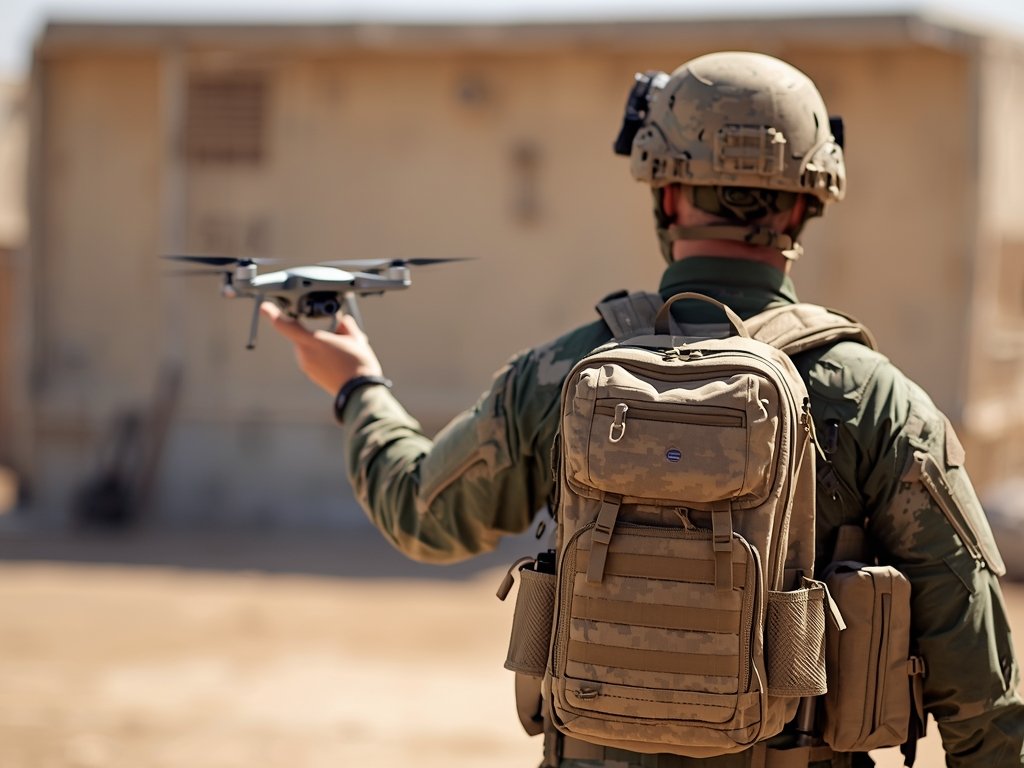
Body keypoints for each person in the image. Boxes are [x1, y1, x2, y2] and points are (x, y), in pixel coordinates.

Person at [261, 52, 1024, 767]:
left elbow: (421, 512)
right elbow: (982, 692)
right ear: (804, 207)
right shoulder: (878, 400)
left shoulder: (560, 374)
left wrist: (357, 386)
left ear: (666, 193)